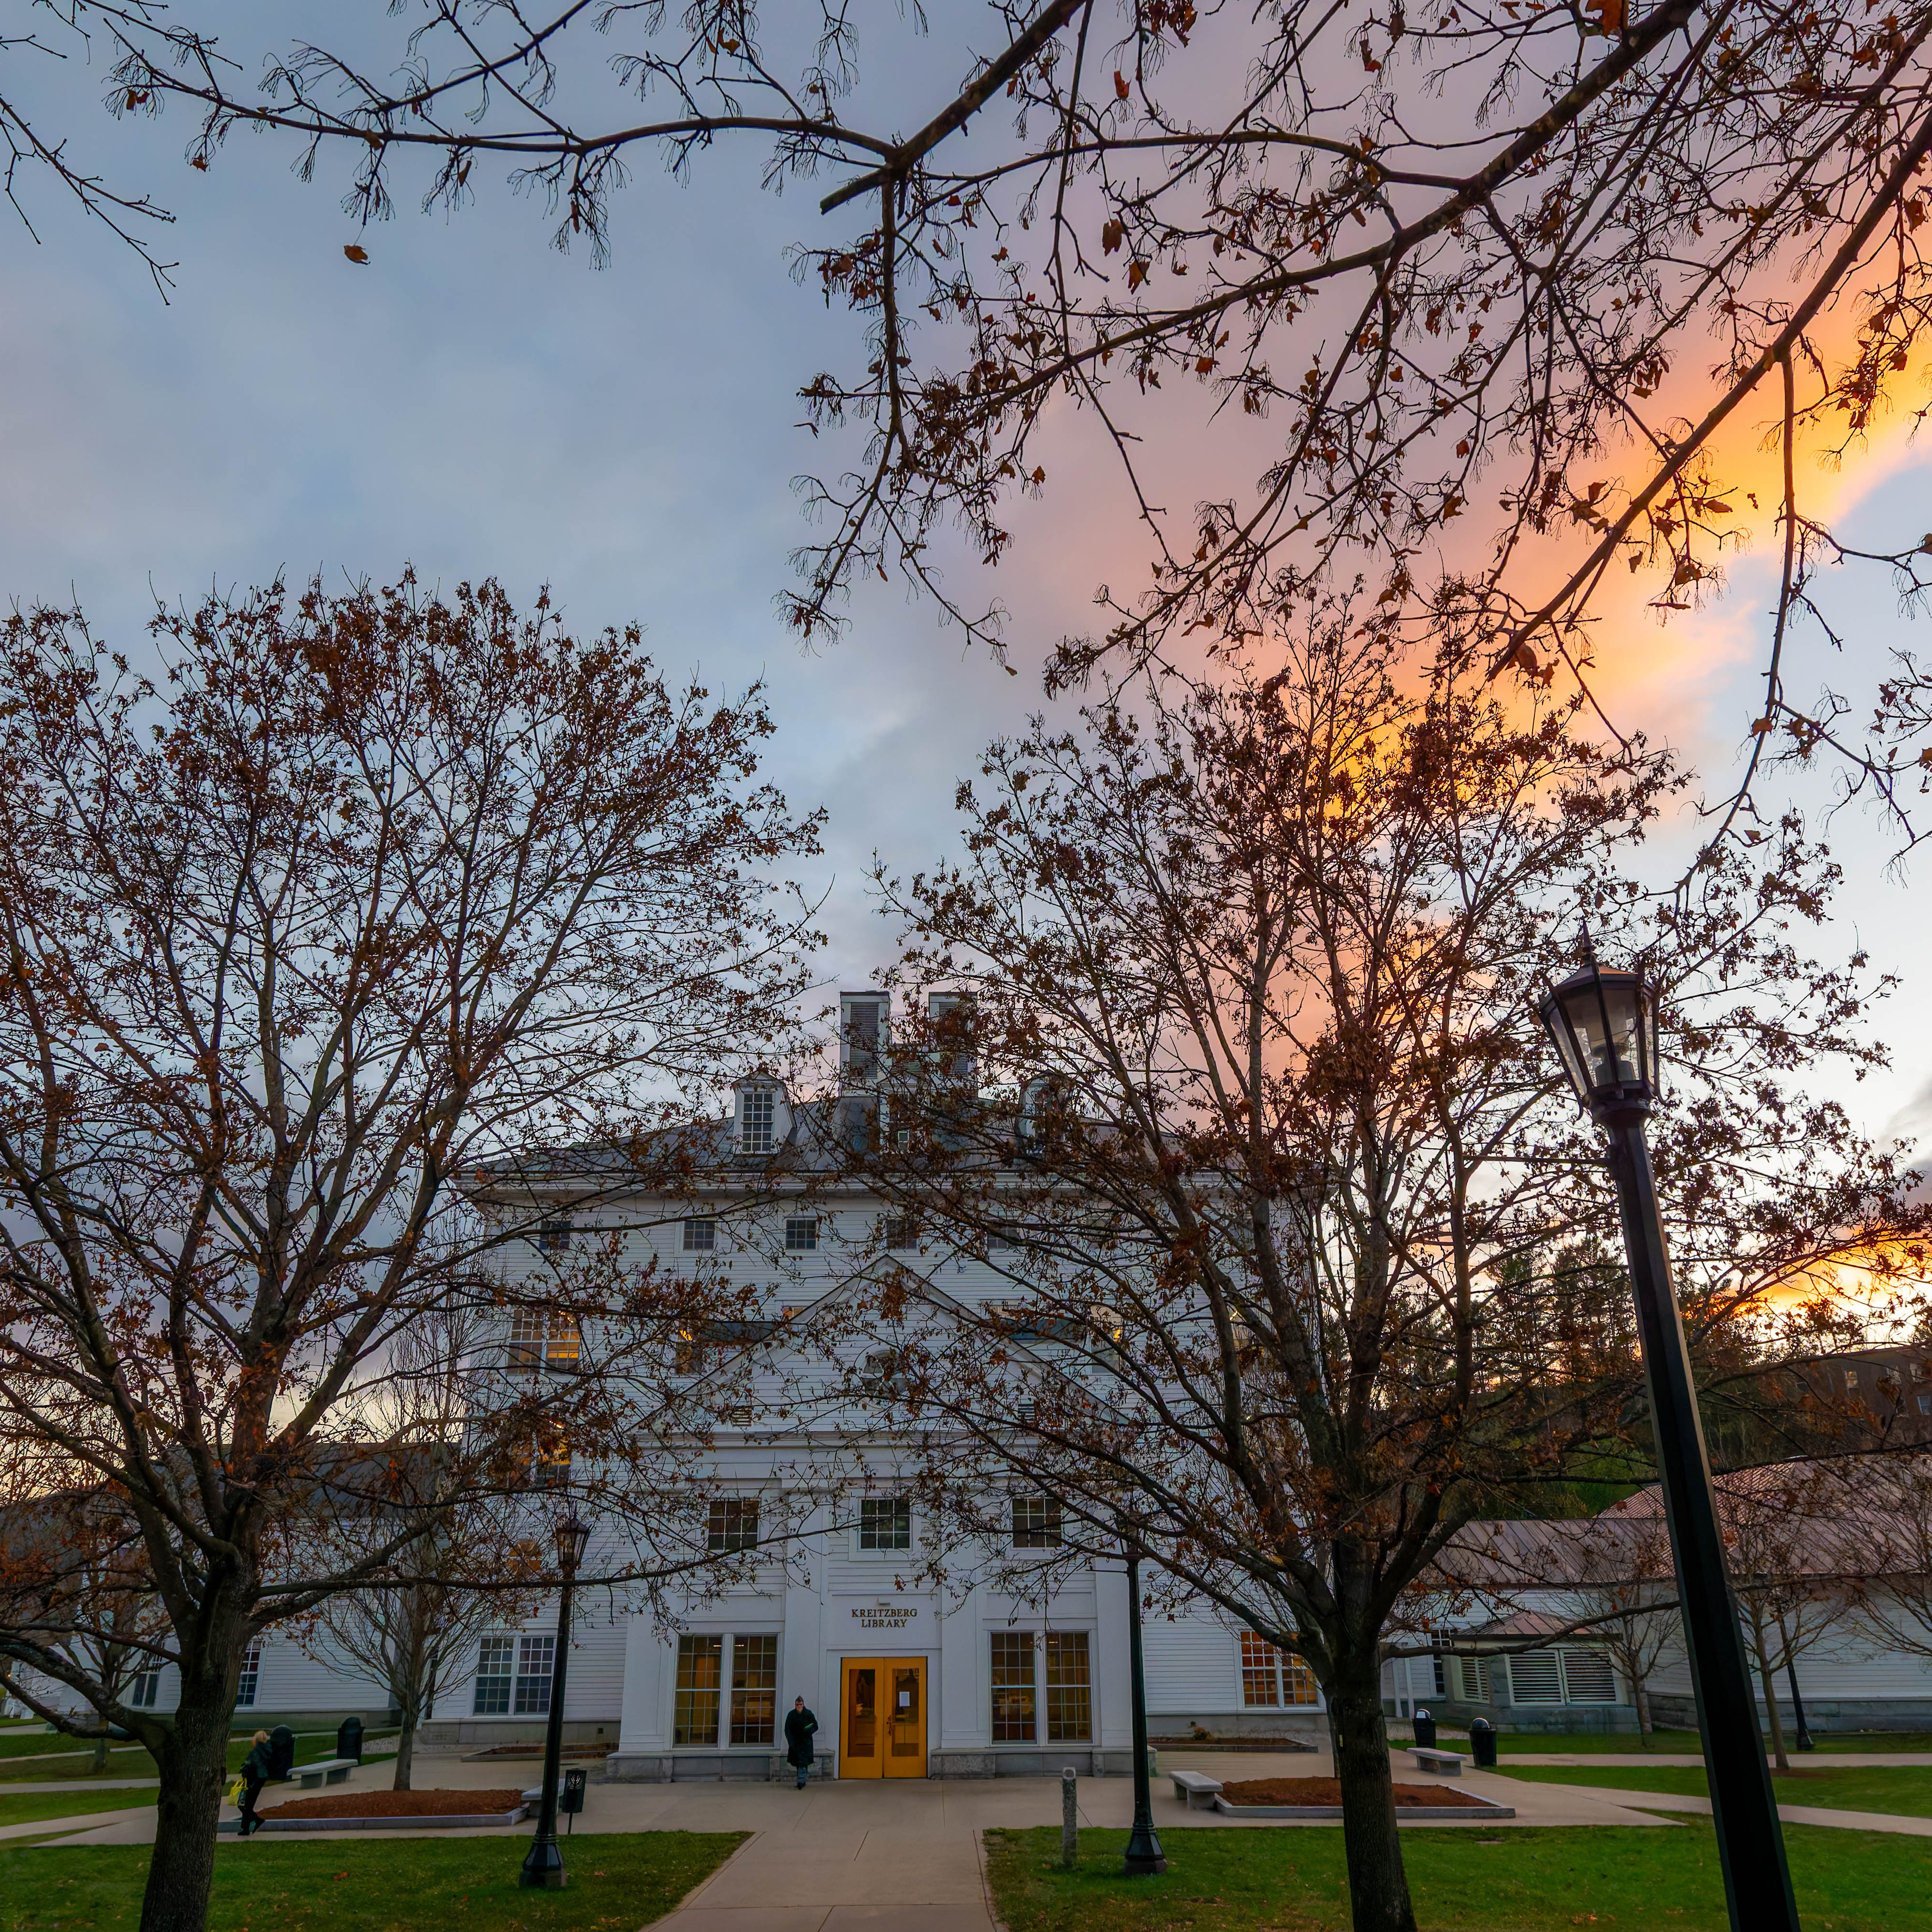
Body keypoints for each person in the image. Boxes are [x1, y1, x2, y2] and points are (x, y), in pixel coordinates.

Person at [237, 1728, 273, 1836]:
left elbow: (254, 1765)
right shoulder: (266, 1749)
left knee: (244, 1805)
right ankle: (245, 1829)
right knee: (247, 1805)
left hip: (253, 1780)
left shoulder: (256, 1751)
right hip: (260, 1779)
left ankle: (256, 1822)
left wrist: (245, 1769)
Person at [783, 1695, 818, 1789]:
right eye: (798, 1704)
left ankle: (801, 1780)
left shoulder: (808, 1714)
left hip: (806, 1742)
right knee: (799, 1763)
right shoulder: (791, 1715)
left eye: (801, 1704)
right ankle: (802, 1779)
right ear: (795, 1705)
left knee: (803, 1762)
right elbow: (787, 1729)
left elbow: (815, 1726)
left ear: (803, 1705)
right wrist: (791, 1742)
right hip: (795, 1742)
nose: (799, 1706)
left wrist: (809, 1731)